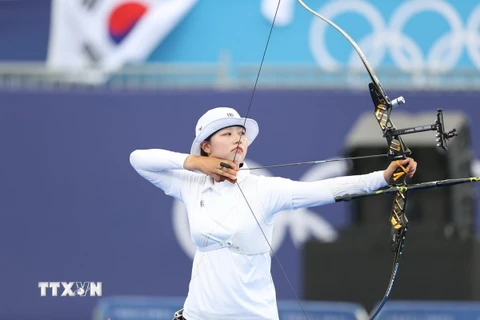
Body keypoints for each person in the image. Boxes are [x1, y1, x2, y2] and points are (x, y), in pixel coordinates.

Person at [129, 107, 417, 320]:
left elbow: (327, 189)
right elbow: (138, 159)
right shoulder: (190, 184)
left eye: (241, 133)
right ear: (206, 145)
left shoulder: (265, 190)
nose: (237, 138)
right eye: (227, 133)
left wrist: (383, 177)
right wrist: (195, 163)